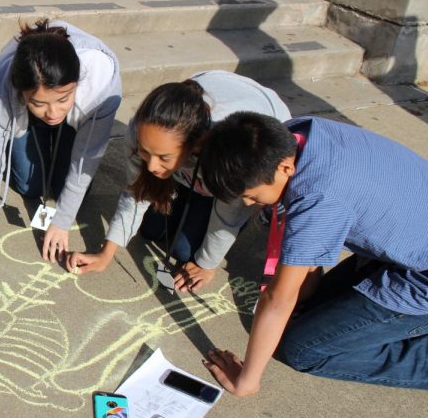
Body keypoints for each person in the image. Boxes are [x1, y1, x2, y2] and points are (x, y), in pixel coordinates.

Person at [199, 112, 428, 395]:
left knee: (302, 349)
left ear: (284, 169)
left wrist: (247, 380)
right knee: (311, 312)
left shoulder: (318, 197)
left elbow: (278, 298)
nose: (248, 204)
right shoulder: (296, 135)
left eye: (253, 196)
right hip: (422, 246)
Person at [66, 71, 291, 292]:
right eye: (146, 153)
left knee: (185, 253)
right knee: (152, 229)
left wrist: (207, 264)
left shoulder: (227, 156)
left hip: (252, 143)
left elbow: (228, 215)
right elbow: (136, 192)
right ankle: (185, 183)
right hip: (196, 150)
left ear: (194, 145)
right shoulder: (143, 131)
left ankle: (195, 191)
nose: (152, 166)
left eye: (164, 157)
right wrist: (106, 253)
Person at [0, 19, 122, 271]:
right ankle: (12, 118)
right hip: (21, 112)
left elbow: (86, 160)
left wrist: (61, 222)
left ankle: (58, 119)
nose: (52, 112)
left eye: (63, 98)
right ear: (20, 92)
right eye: (39, 103)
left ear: (77, 84)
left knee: (68, 192)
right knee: (30, 185)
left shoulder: (101, 84)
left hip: (81, 114)